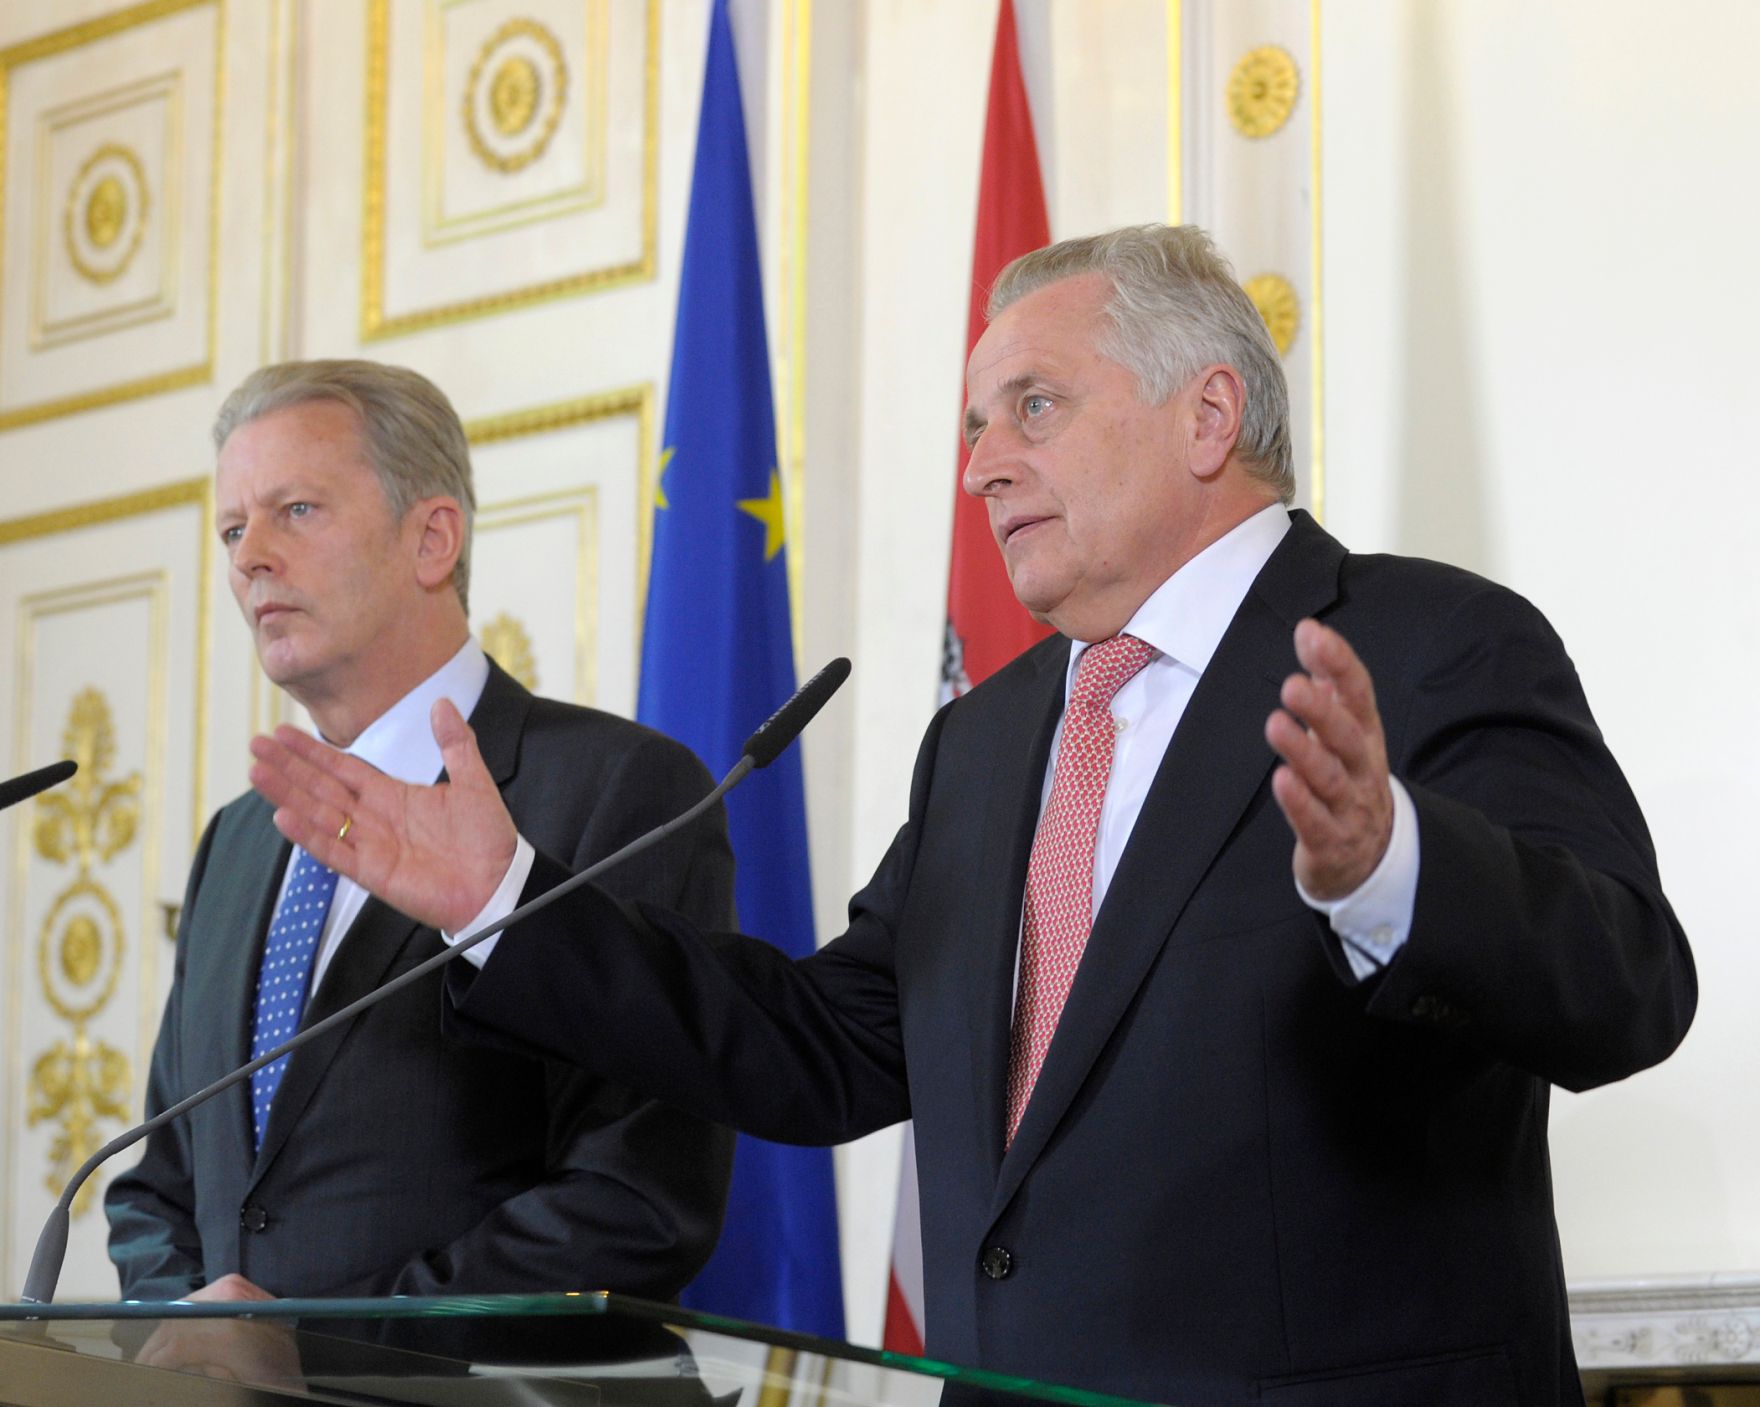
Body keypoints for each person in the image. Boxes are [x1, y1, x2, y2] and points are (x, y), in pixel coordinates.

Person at [249, 230, 1695, 1406]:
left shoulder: (1428, 638)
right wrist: (506, 894)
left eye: (1034, 407)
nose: (982, 462)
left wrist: (1391, 867)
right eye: (973, 425)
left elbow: (1631, 982)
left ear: (1209, 413)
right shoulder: (990, 740)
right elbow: (823, 1046)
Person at [106, 359, 734, 1307]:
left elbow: (634, 1195)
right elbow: (159, 1184)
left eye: (296, 511)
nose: (248, 557)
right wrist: (183, 1335)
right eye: (234, 528)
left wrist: (334, 1348)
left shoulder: (622, 791)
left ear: (432, 538)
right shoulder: (236, 841)